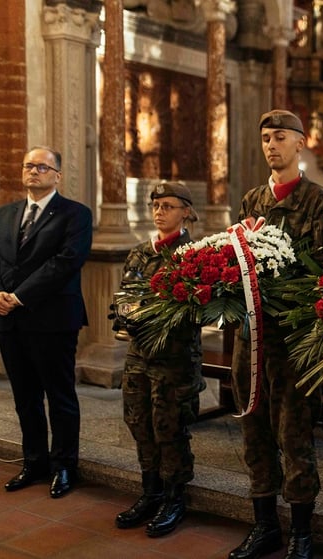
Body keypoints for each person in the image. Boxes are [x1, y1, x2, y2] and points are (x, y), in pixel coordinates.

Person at [228, 109, 323, 559]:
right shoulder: (251, 201)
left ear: (301, 143)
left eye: (280, 137)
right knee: (253, 431)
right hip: (251, 340)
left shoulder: (322, 204)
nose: (271, 146)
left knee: (294, 436)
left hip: (294, 343)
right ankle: (264, 526)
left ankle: (301, 532)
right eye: (265, 138)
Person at [0, 146, 93, 499]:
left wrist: (19, 296)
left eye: (43, 167)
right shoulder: (5, 214)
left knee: (60, 397)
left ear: (58, 175)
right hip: (10, 322)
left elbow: (66, 262)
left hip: (53, 319)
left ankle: (64, 467)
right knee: (25, 397)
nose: (34, 171)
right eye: (29, 165)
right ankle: (34, 462)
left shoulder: (75, 214)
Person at [112, 181, 206, 537]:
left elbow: (199, 309)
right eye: (155, 205)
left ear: (186, 211)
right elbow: (127, 295)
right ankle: (149, 491)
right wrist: (123, 315)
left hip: (175, 358)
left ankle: (174, 497)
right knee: (139, 421)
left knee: (169, 426)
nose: (160, 211)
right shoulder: (139, 252)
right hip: (139, 355)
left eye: (168, 205)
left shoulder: (195, 254)